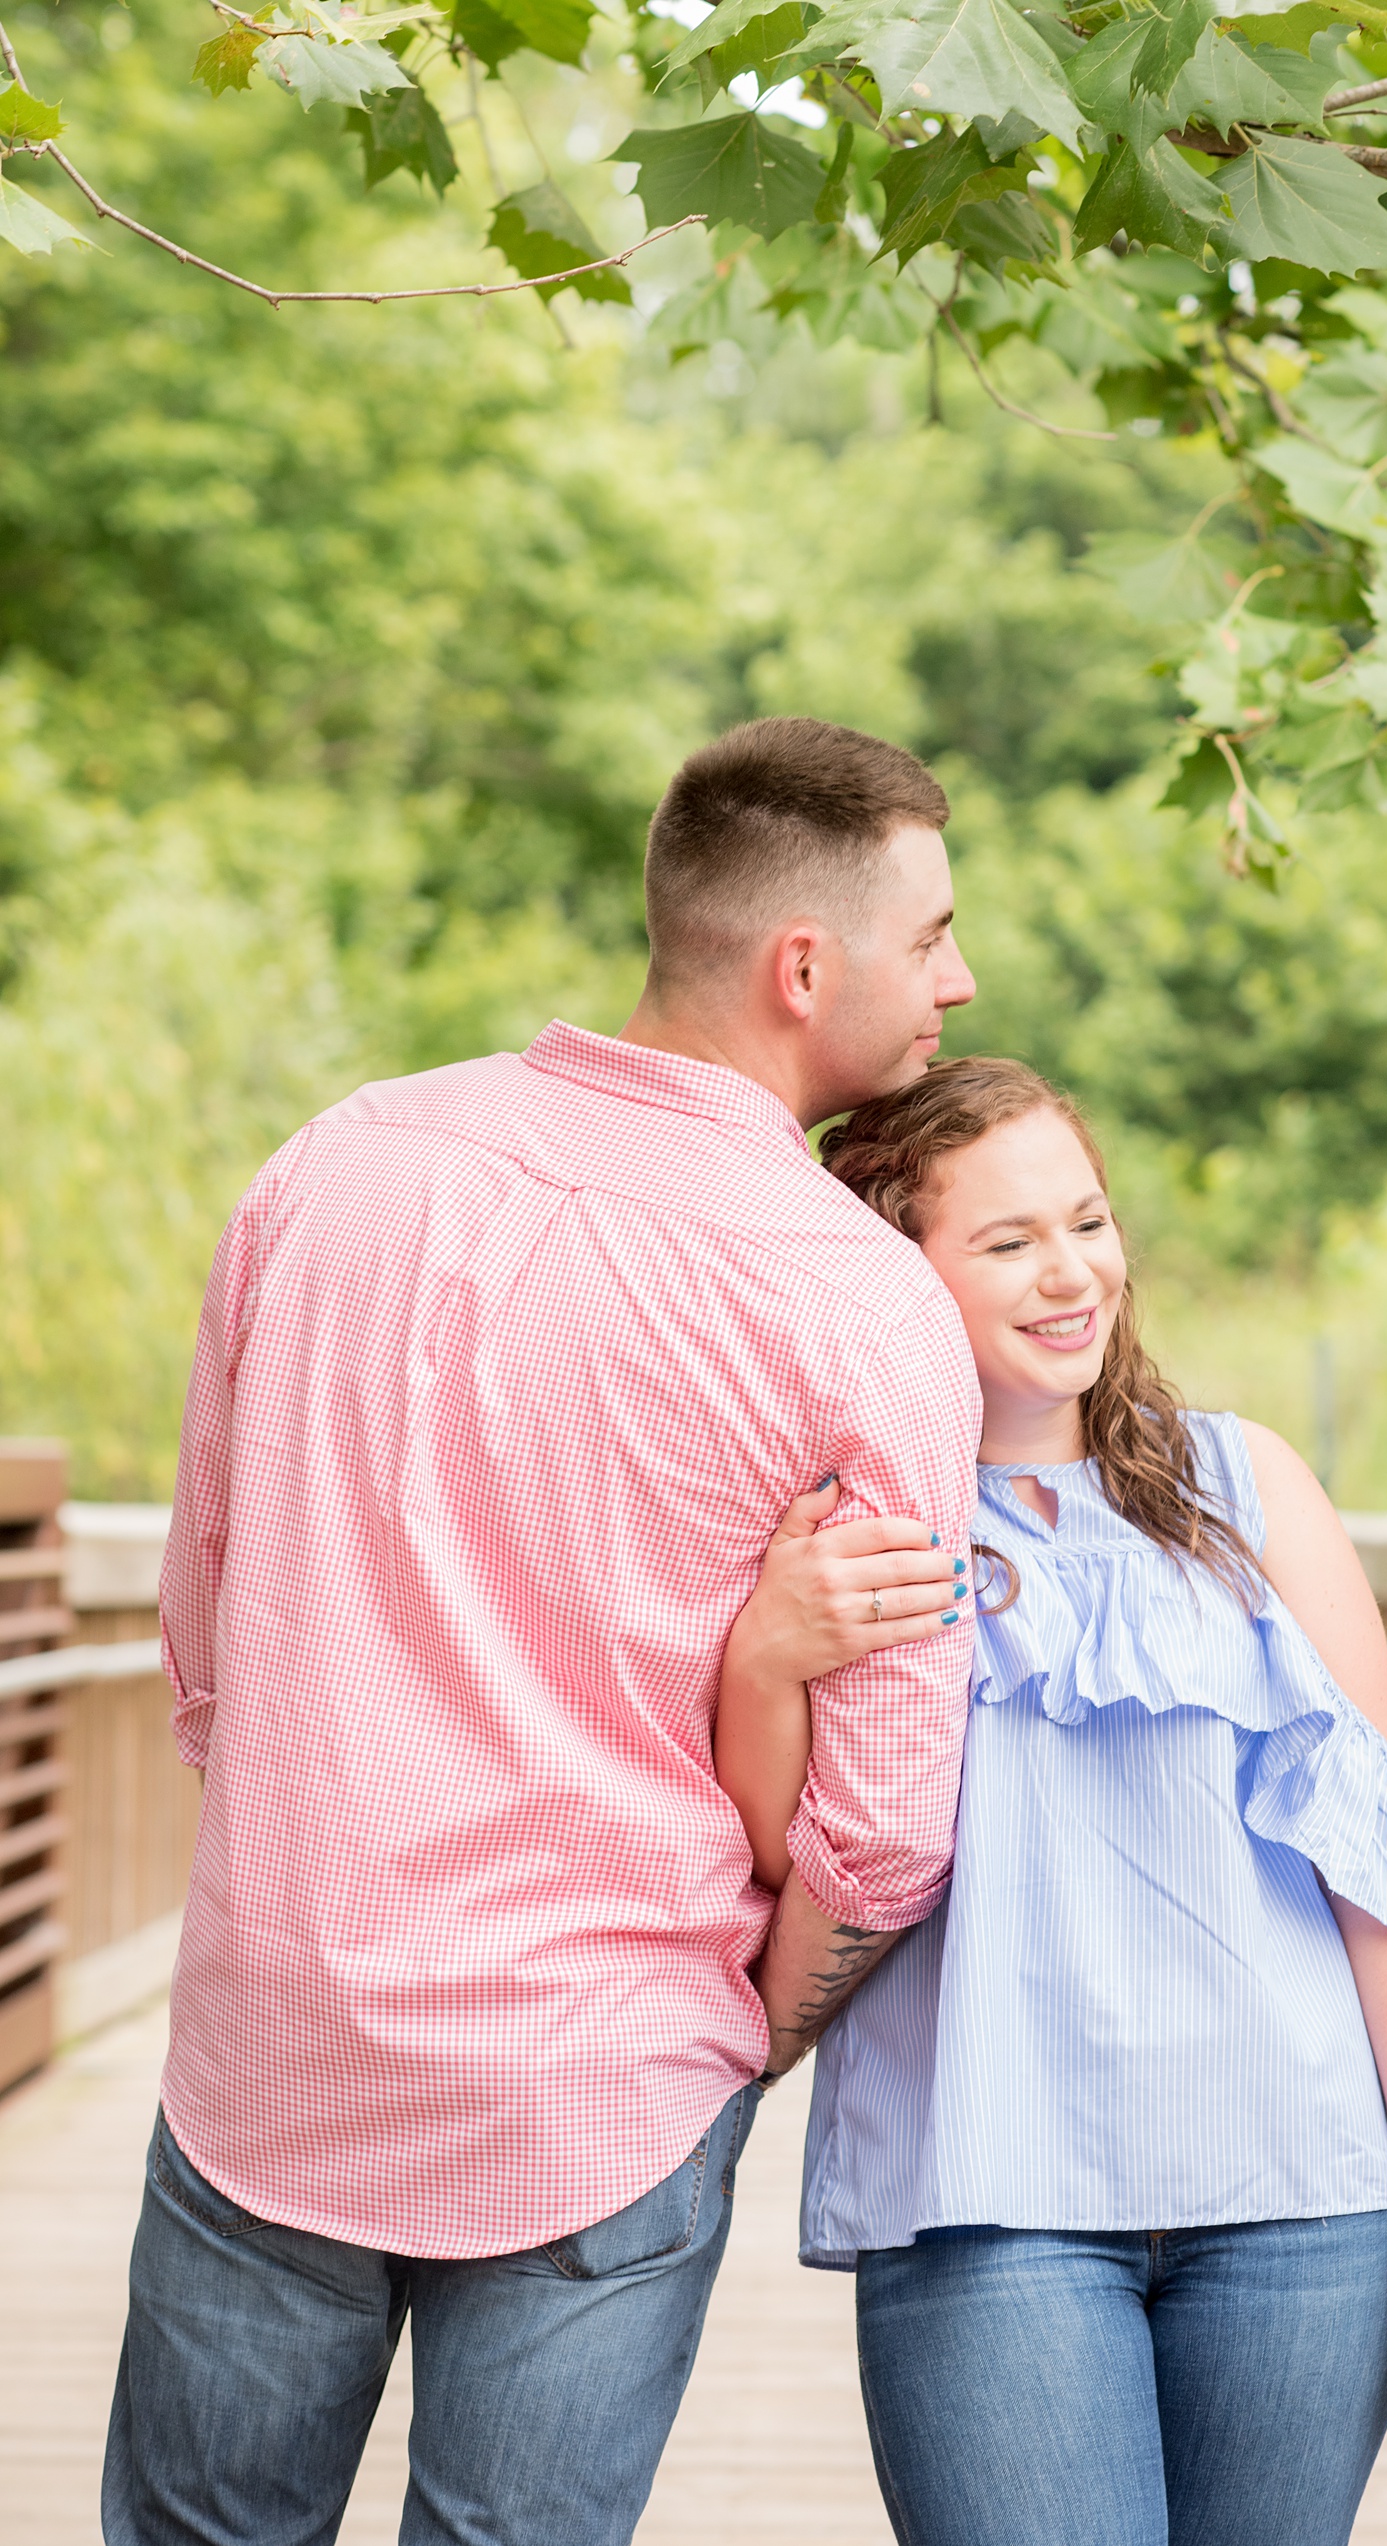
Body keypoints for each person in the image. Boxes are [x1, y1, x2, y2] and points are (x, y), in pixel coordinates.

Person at [103, 718, 981, 2546]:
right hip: (607, 2072)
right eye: (937, 935)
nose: (959, 982)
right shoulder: (859, 1300)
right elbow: (887, 1828)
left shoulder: (338, 1161)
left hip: (276, 2040)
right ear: (802, 964)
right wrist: (741, 2036)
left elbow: (203, 1631)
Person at [715, 1054, 1387, 2546]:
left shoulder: (1248, 1486)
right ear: (895, 1274)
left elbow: (1383, 1857)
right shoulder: (844, 1536)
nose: (1070, 1272)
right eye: (1008, 1240)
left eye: (1087, 1221)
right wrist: (769, 1656)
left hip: (1297, 2198)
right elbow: (781, 1860)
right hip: (984, 2196)